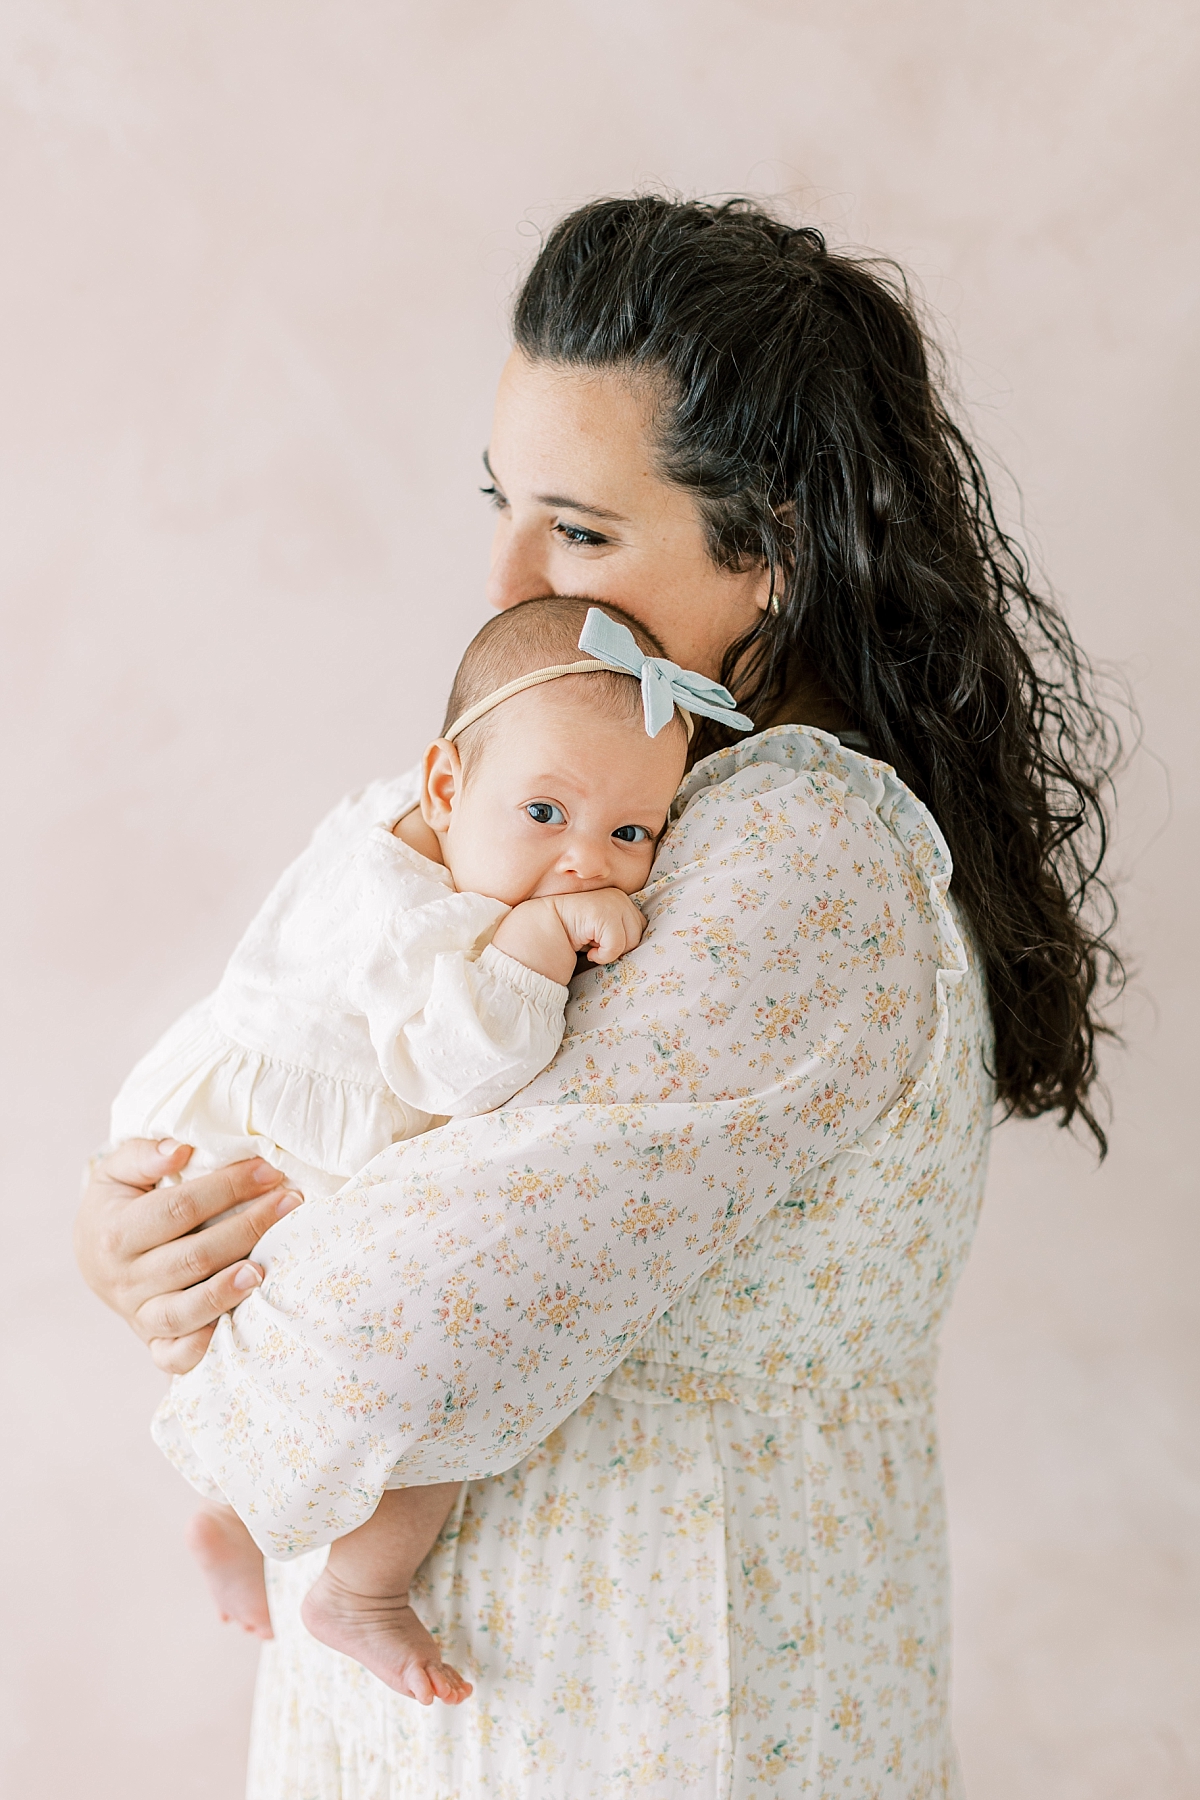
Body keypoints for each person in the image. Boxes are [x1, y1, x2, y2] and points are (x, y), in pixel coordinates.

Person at [75, 196, 1118, 1798]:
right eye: (502, 505)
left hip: (630, 1707)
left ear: (768, 549)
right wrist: (157, 1231)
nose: (502, 584)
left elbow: (403, 1309)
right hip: (562, 1699)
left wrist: (215, 1322)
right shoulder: (657, 817)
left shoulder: (794, 858)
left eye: (575, 531)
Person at [110, 595, 743, 1702]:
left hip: (205, 1113)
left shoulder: (385, 819)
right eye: (546, 811)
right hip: (288, 1158)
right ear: (448, 787)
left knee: (277, 1380)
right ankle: (357, 1590)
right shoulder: (429, 925)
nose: (582, 862)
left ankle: (231, 1517)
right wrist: (541, 947)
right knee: (443, 1369)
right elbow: (467, 1070)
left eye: (630, 834)